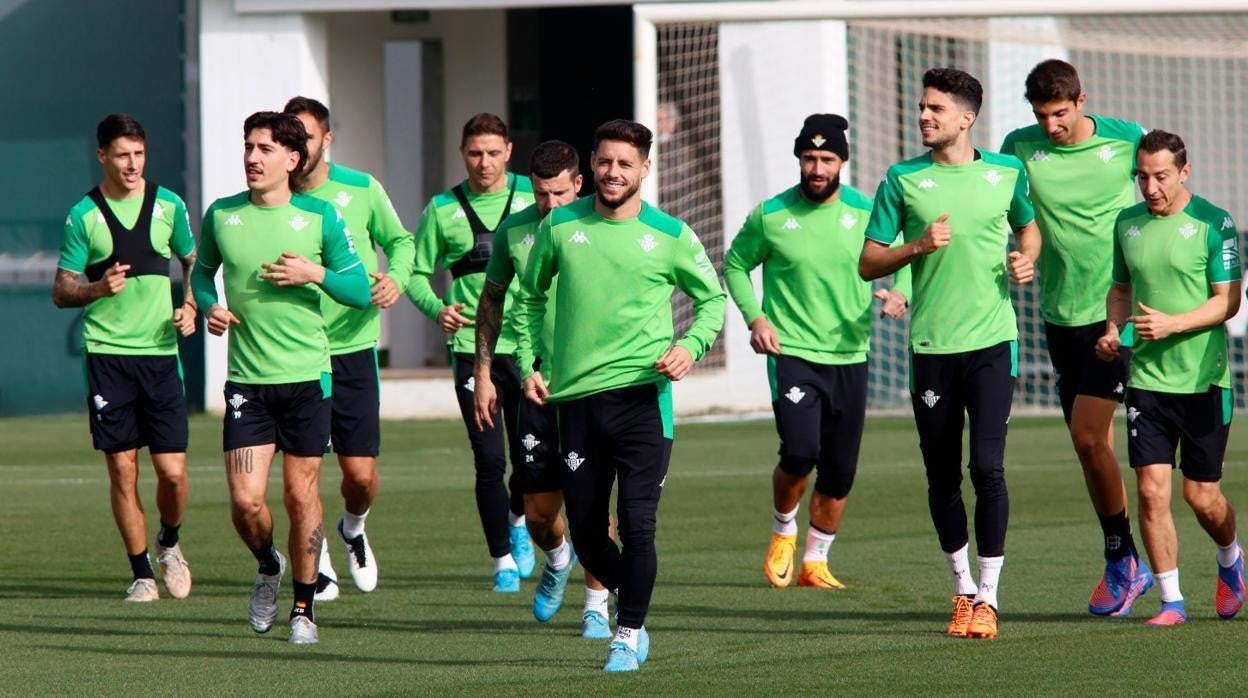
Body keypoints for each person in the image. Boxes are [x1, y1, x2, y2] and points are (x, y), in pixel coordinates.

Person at [514, 119, 726, 671]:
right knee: (586, 532)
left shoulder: (671, 234)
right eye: (605, 162)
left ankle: (627, 631)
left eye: (625, 164)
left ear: (645, 169)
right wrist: (527, 362)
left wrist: (691, 346)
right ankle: (634, 597)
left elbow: (713, 302)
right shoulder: (560, 225)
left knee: (637, 523)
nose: (614, 172)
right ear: (592, 165)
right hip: (575, 404)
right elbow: (529, 299)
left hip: (642, 401)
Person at [859, 68, 1041, 640]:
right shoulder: (902, 179)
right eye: (921, 107)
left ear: (967, 118)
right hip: (931, 347)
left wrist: (1024, 258)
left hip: (992, 341)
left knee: (986, 467)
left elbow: (1028, 230)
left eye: (935, 109)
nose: (923, 116)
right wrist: (916, 246)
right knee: (942, 475)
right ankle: (961, 588)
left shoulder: (1006, 172)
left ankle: (989, 596)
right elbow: (868, 262)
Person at [191, 111, 370, 645]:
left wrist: (313, 273)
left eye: (265, 148)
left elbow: (360, 290)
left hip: (307, 379)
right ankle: (268, 566)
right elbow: (202, 274)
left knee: (300, 495)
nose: (252, 157)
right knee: (246, 502)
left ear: (292, 160)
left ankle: (303, 607)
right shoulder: (222, 215)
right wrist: (209, 306)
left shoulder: (320, 218)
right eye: (248, 147)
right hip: (247, 381)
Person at [723, 114, 909, 591]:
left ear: (843, 161)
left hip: (851, 354)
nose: (818, 167)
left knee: (841, 468)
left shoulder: (867, 211)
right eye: (810, 158)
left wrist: (900, 291)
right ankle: (784, 530)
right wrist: (756, 319)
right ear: (799, 160)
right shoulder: (771, 215)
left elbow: (904, 253)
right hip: (793, 353)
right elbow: (736, 264)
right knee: (801, 451)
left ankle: (815, 561)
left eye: (827, 159)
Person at [999, 59, 1151, 616]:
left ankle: (1126, 559)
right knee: (1091, 449)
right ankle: (1128, 559)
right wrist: (1021, 254)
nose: (1052, 125)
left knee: (1091, 437)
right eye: (1042, 115)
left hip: (1120, 311)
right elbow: (1014, 216)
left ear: (1081, 100)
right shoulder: (1019, 146)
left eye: (1060, 113)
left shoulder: (1125, 139)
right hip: (1059, 314)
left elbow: (1163, 196)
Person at [1095, 129, 1245, 625]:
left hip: (1204, 381)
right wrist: (1114, 329)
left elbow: (1229, 300)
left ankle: (1230, 561)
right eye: (1142, 176)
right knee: (1151, 490)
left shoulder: (1213, 222)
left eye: (1160, 176)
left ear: (1184, 171)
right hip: (1146, 382)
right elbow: (1120, 289)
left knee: (1201, 496)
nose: (1150, 187)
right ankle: (1171, 600)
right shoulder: (1127, 223)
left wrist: (1171, 324)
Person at [53, 113, 197, 603]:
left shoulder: (169, 206)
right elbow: (61, 289)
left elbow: (193, 259)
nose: (132, 164)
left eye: (138, 154)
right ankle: (141, 573)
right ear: (102, 156)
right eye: (122, 155)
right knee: (122, 468)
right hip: (108, 358)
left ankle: (169, 542)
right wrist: (96, 288)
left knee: (173, 474)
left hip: (160, 356)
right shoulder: (83, 216)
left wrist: (192, 304)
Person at [473, 140, 614, 638]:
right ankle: (557, 559)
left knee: (595, 506)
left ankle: (596, 605)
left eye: (558, 193)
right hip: (534, 385)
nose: (550, 204)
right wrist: (485, 374)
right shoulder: (514, 231)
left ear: (579, 184)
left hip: (595, 384)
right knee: (538, 513)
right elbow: (490, 304)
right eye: (540, 194)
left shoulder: (600, 225)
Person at [283, 96, 416, 601]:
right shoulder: (274, 196)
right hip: (297, 354)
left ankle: (353, 530)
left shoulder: (361, 189)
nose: (297, 148)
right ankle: (317, 566)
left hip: (354, 348)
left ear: (326, 139)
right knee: (304, 472)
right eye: (289, 138)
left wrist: (397, 280)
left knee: (359, 477)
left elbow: (400, 241)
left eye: (306, 137)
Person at [407, 113, 537, 591]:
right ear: (463, 152)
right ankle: (501, 557)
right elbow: (416, 273)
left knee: (529, 457)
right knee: (488, 460)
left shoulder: (535, 196)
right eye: (475, 153)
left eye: (493, 152)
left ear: (509, 151)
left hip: (528, 347)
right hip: (471, 349)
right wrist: (437, 308)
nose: (484, 162)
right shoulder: (443, 209)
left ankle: (519, 521)